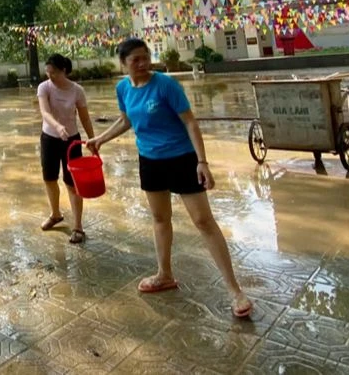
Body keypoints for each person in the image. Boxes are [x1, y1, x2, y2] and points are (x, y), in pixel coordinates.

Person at [87, 38, 252, 318]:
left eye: (145, 57)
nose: (142, 63)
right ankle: (164, 274)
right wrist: (100, 139)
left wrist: (202, 162)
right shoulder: (123, 88)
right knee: (160, 219)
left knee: (203, 222)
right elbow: (126, 119)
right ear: (123, 64)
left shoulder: (165, 85)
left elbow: (189, 121)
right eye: (135, 60)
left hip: (181, 159)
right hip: (149, 161)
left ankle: (235, 291)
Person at [37, 54, 95, 244]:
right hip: (49, 138)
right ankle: (55, 214)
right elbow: (45, 112)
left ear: (64, 71)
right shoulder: (44, 87)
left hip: (71, 141)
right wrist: (57, 126)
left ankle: (78, 226)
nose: (49, 76)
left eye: (53, 72)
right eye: (47, 72)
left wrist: (92, 139)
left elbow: (85, 118)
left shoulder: (77, 91)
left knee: (73, 184)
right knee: (49, 178)